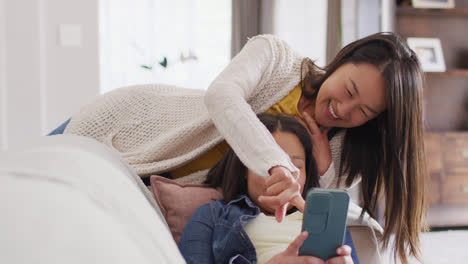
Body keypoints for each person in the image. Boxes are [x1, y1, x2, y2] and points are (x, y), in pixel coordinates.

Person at [62, 32, 426, 263]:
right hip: (132, 127)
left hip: (152, 185)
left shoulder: (343, 155)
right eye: (349, 91)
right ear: (342, 61)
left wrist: (324, 170)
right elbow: (221, 97)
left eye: (363, 111)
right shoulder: (278, 58)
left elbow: (299, 222)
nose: (343, 110)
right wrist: (276, 164)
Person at [179, 113, 358, 264]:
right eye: (270, 166)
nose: (284, 176)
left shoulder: (331, 223)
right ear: (244, 168)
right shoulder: (212, 216)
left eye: (295, 167)